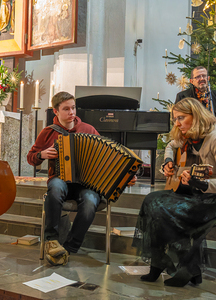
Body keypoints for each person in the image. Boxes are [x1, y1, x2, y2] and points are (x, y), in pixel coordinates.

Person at [27, 91, 137, 266]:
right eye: (66, 109)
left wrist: (125, 177)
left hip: (86, 183)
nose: (71, 112)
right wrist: (42, 154)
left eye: (73, 108)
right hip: (60, 179)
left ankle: (70, 247)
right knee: (54, 188)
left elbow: (106, 158)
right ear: (55, 111)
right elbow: (31, 157)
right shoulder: (48, 132)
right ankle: (52, 240)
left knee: (91, 200)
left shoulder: (88, 129)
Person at [133, 97, 216, 287]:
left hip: (210, 198)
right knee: (151, 200)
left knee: (166, 210)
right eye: (175, 119)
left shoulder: (213, 138)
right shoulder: (188, 135)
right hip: (194, 192)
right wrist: (168, 162)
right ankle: (159, 261)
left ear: (195, 117)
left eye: (181, 118)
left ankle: (188, 269)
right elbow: (171, 145)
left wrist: (203, 185)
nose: (177, 124)